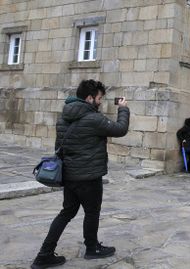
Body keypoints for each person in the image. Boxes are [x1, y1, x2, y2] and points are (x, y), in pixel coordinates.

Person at [31, 80, 130, 268]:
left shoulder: (64, 117)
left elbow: (59, 146)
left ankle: (44, 254)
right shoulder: (93, 119)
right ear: (89, 98)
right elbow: (120, 129)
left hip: (69, 175)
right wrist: (123, 109)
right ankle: (92, 248)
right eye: (99, 98)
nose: (100, 102)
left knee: (66, 213)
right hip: (89, 177)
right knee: (92, 213)